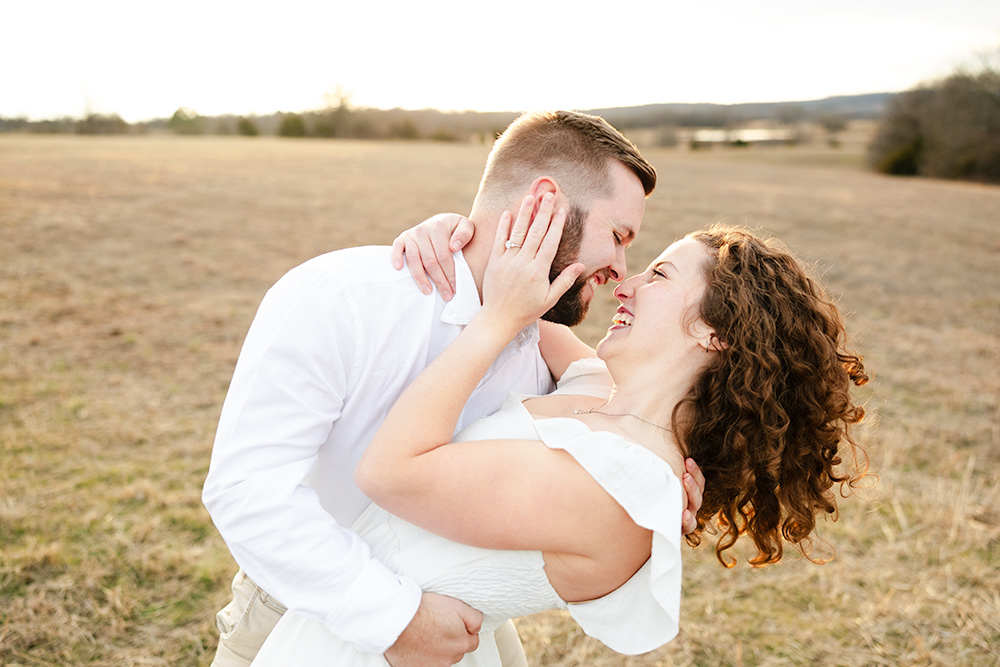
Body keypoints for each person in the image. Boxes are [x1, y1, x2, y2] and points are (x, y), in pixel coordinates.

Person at [249, 205, 871, 665]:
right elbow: (518, 298)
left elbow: (389, 473)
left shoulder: (616, 486)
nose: (624, 285)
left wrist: (493, 323)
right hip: (345, 627)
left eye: (657, 275)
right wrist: (446, 234)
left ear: (716, 333)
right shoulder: (599, 389)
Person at [201, 110, 706, 667]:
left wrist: (668, 487)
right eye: (617, 236)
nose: (619, 268)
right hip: (307, 607)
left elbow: (634, 418)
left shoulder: (543, 341)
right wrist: (395, 620)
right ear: (545, 204)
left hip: (469, 622)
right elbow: (247, 490)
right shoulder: (340, 297)